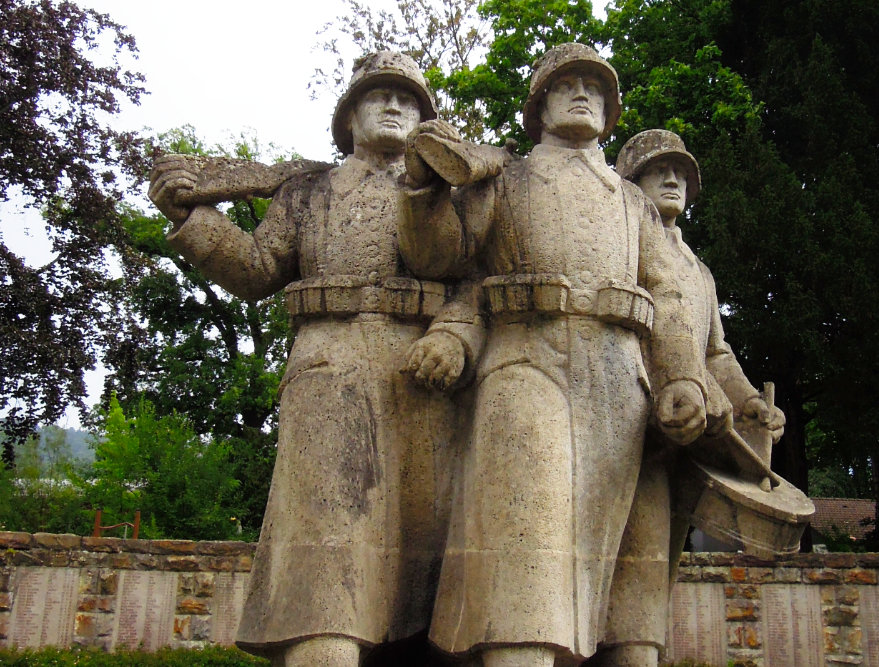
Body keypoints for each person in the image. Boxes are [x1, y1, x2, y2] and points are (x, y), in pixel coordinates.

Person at [148, 52, 483, 667]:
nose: (393, 107)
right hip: (329, 362)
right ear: (349, 116)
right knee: (329, 537)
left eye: (408, 100)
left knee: (425, 548)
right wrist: (193, 218)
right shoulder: (309, 191)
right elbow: (257, 270)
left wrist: (455, 337)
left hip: (424, 375)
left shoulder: (449, 196)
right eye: (377, 97)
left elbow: (472, 286)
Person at [399, 44, 709, 667]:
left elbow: (670, 293)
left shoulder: (632, 203)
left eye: (595, 87)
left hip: (619, 376)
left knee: (595, 564)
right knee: (526, 544)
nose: (582, 94)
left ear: (610, 110)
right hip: (525, 359)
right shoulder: (504, 178)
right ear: (538, 104)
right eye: (566, 84)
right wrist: (422, 186)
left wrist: (683, 376)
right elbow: (446, 261)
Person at [595, 130, 786, 665]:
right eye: (660, 171)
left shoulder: (699, 270)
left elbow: (717, 354)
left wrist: (748, 400)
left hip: (683, 437)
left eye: (681, 173)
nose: (674, 179)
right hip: (621, 416)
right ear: (633, 181)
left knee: (651, 567)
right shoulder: (616, 240)